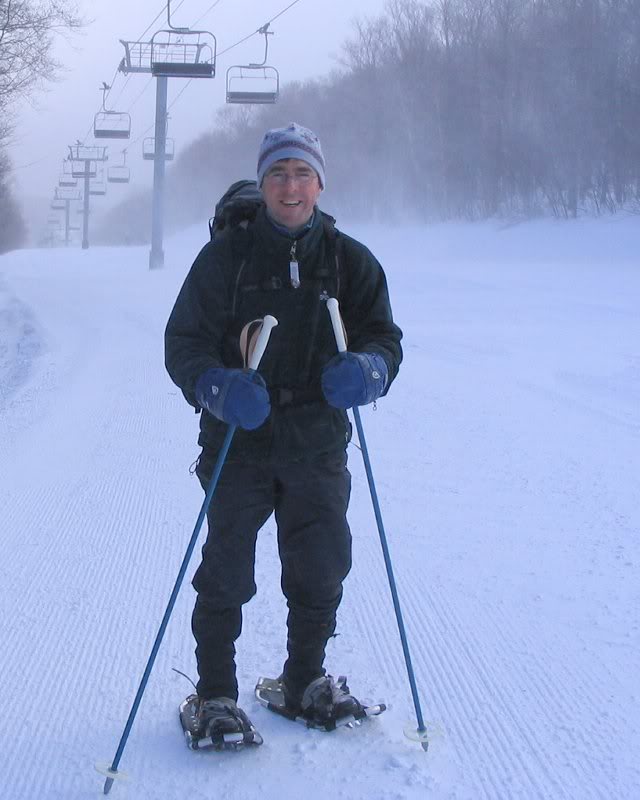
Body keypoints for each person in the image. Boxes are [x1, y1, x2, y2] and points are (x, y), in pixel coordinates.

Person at [165, 122, 402, 748]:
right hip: (238, 446)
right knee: (227, 573)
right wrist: (216, 386)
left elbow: (384, 337)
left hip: (317, 443)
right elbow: (182, 344)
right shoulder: (226, 258)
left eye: (301, 173)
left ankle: (303, 681)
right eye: (277, 173)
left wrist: (369, 372)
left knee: (321, 567)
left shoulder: (350, 261)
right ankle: (215, 693)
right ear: (263, 183)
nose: (289, 186)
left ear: (320, 183)